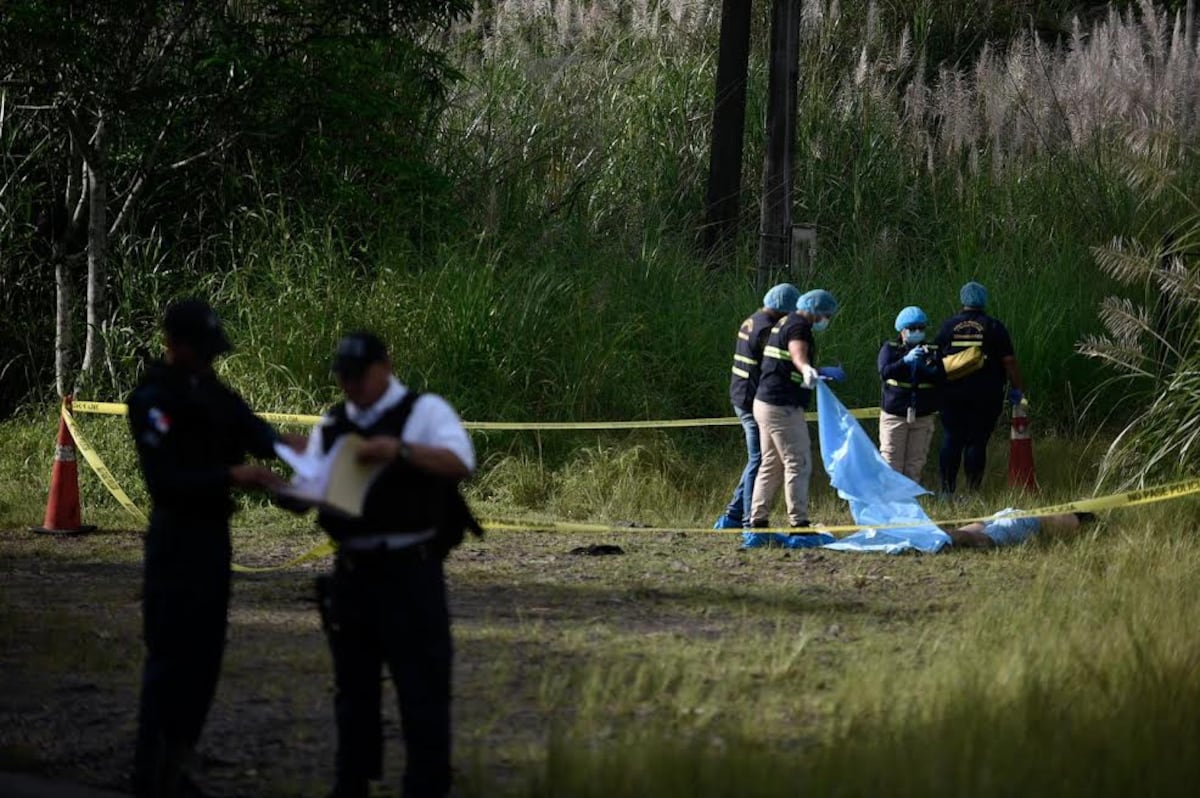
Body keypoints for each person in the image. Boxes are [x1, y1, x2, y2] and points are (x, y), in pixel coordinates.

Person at [127, 298, 294, 798]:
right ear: (174, 346)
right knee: (170, 657)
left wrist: (298, 451)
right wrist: (234, 475)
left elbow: (255, 432)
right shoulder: (152, 400)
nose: (207, 361)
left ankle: (177, 770)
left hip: (212, 541)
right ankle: (148, 774)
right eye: (199, 351)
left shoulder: (213, 393)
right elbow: (167, 479)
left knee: (206, 658)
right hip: (175, 539)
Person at [302, 332, 476, 798]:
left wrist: (396, 450)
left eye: (359, 376)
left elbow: (461, 460)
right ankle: (351, 783)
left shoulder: (424, 412)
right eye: (344, 377)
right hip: (354, 574)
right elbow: (311, 486)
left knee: (423, 692)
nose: (351, 386)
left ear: (385, 366)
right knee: (353, 693)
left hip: (410, 572)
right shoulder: (334, 422)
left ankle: (425, 786)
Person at [747, 288, 843, 538]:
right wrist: (807, 368)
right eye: (826, 315)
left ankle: (757, 522)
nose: (826, 320)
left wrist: (816, 370)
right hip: (781, 406)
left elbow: (785, 361)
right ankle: (798, 524)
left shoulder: (783, 322)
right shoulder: (799, 326)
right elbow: (796, 353)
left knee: (771, 463)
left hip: (764, 402)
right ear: (816, 311)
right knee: (798, 462)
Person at [713, 282, 800, 531]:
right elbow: (775, 368)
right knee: (760, 459)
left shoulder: (752, 320)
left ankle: (733, 514)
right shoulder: (766, 331)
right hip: (752, 400)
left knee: (758, 458)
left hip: (741, 396)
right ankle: (748, 520)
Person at [934, 281, 1025, 496]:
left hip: (952, 394)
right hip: (986, 394)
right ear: (983, 300)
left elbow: (936, 358)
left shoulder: (948, 326)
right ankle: (973, 492)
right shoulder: (994, 326)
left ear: (963, 299)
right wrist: (1017, 388)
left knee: (951, 439)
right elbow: (1009, 361)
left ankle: (947, 491)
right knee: (977, 442)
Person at [878, 305, 944, 484]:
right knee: (891, 460)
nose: (917, 332)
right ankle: (890, 500)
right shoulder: (890, 349)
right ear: (902, 330)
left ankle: (909, 501)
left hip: (922, 414)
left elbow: (941, 376)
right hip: (895, 414)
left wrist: (926, 368)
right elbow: (885, 371)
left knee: (915, 462)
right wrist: (904, 362)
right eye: (912, 329)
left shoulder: (931, 350)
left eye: (920, 328)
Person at [944, 509, 1097, 549]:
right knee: (982, 541)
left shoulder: (1064, 513)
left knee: (963, 532)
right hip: (1024, 523)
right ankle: (941, 538)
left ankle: (932, 537)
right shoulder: (1076, 523)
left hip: (1013, 513)